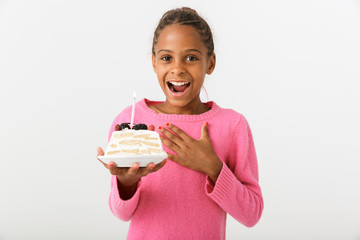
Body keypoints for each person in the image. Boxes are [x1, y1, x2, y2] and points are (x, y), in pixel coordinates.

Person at [97, 7, 263, 240]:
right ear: (154, 62)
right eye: (166, 58)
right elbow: (121, 213)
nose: (177, 68)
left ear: (210, 63)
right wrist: (126, 183)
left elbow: (251, 214)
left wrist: (214, 168)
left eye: (191, 58)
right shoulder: (130, 122)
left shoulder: (233, 126)